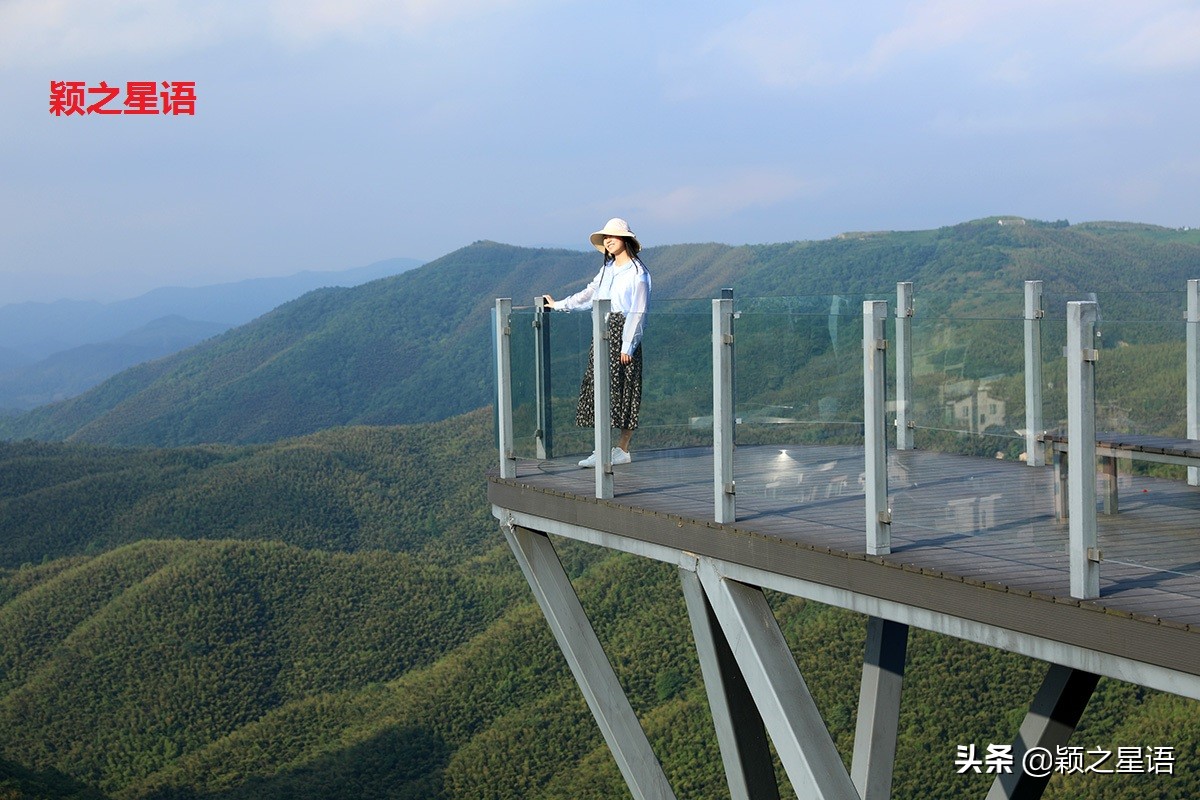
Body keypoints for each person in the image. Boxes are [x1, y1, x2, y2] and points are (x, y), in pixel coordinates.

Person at [543, 218, 651, 468]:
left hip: (622, 333)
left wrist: (628, 345)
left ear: (626, 240)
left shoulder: (639, 273)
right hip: (601, 332)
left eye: (613, 236)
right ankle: (602, 449)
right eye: (606, 238)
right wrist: (560, 304)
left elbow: (639, 311)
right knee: (598, 389)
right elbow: (589, 293)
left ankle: (621, 449)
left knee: (625, 391)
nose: (608, 241)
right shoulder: (608, 269)